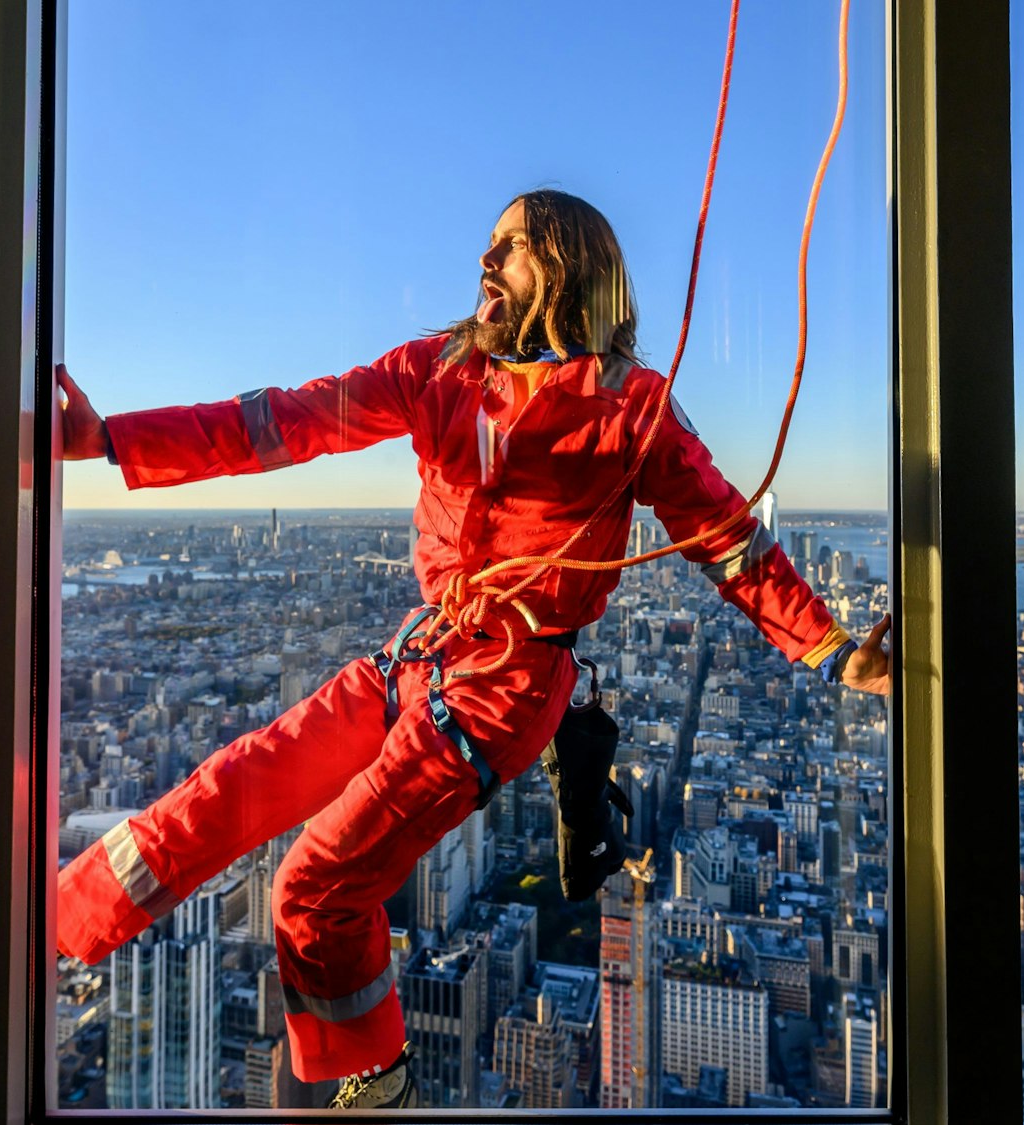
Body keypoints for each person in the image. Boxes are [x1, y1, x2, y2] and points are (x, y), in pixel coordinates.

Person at [53, 189, 891, 1110]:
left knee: (315, 885)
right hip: (422, 651)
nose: (487, 262)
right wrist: (109, 441)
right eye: (489, 246)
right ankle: (55, 922)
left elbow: (729, 540)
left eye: (514, 248)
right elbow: (282, 422)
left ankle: (373, 1082)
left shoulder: (629, 409)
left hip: (507, 684)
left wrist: (834, 650)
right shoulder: (439, 371)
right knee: (232, 786)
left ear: (568, 269)